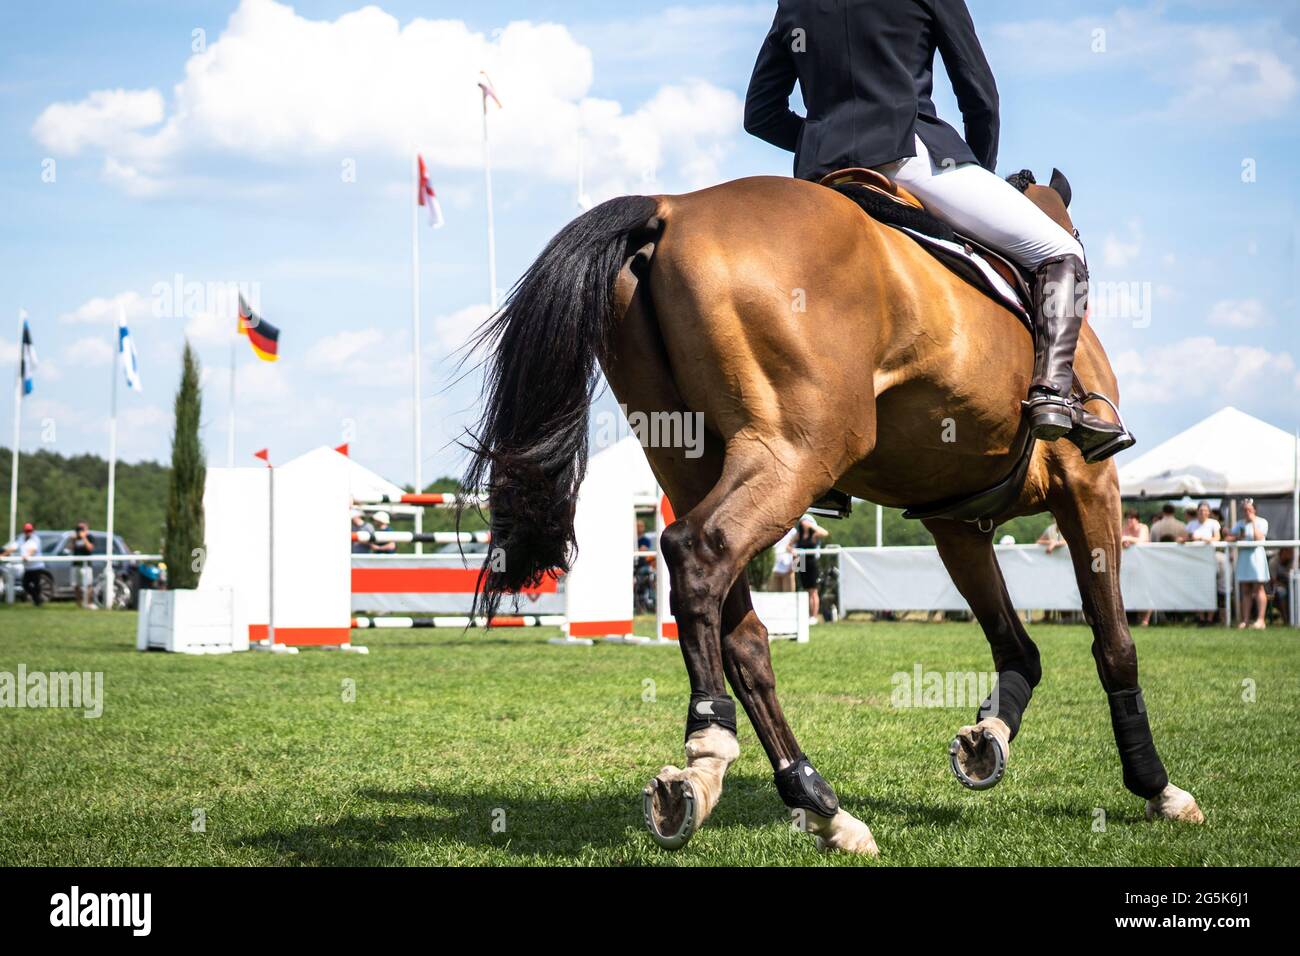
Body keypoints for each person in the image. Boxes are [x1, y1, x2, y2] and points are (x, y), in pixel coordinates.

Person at [743, 0, 1126, 457]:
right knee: (1060, 251)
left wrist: (821, 140)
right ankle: (1053, 394)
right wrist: (979, 171)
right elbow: (979, 93)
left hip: (821, 179)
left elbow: (761, 113)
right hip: (909, 159)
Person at [1227, 498, 1269, 630]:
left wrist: (1253, 522)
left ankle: (1260, 620)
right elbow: (1229, 538)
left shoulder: (1262, 522)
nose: (1247, 512)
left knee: (1258, 589)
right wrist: (1236, 536)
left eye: (1249, 509)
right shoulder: (1239, 523)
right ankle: (1245, 620)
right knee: (1245, 590)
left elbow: (1258, 537)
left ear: (1254, 509)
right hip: (1244, 557)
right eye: (1244, 510)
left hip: (1257, 558)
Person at [1185, 502, 1223, 626]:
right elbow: (1187, 538)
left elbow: (1217, 538)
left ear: (1209, 512)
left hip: (1209, 559)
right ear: (1197, 512)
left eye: (1205, 510)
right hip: (1195, 560)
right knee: (1198, 588)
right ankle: (1201, 617)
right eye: (1200, 510)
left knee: (1211, 587)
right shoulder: (1191, 524)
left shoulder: (1213, 523)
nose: (1203, 513)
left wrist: (1204, 539)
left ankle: (1210, 618)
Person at [795, 514, 830, 621]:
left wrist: (811, 526)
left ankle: (813, 616)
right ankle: (805, 615)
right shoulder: (799, 535)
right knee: (804, 589)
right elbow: (790, 545)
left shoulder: (814, 534)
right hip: (801, 562)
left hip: (812, 562)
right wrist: (793, 553)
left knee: (813, 591)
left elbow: (826, 533)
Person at [4, 523, 49, 607]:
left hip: (37, 566)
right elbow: (13, 547)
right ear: (24, 531)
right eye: (27, 531)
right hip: (28, 567)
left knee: (36, 585)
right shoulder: (21, 538)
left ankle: (38, 602)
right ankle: (38, 600)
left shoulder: (35, 539)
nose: (28, 532)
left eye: (30, 531)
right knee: (25, 585)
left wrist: (27, 555)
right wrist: (3, 555)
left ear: (32, 531)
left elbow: (33, 549)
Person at [71, 522, 97, 609]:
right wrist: (73, 540)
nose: (80, 531)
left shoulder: (90, 537)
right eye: (78, 529)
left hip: (87, 565)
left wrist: (84, 538)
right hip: (76, 564)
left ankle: (88, 603)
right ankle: (79, 604)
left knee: (89, 584)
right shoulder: (75, 538)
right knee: (76, 585)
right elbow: (70, 549)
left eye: (82, 529)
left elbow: (90, 548)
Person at [769, 526, 798, 592]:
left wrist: (793, 569)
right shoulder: (772, 529)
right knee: (773, 596)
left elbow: (798, 553)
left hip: (788, 569)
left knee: (789, 596)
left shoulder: (793, 531)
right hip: (774, 569)